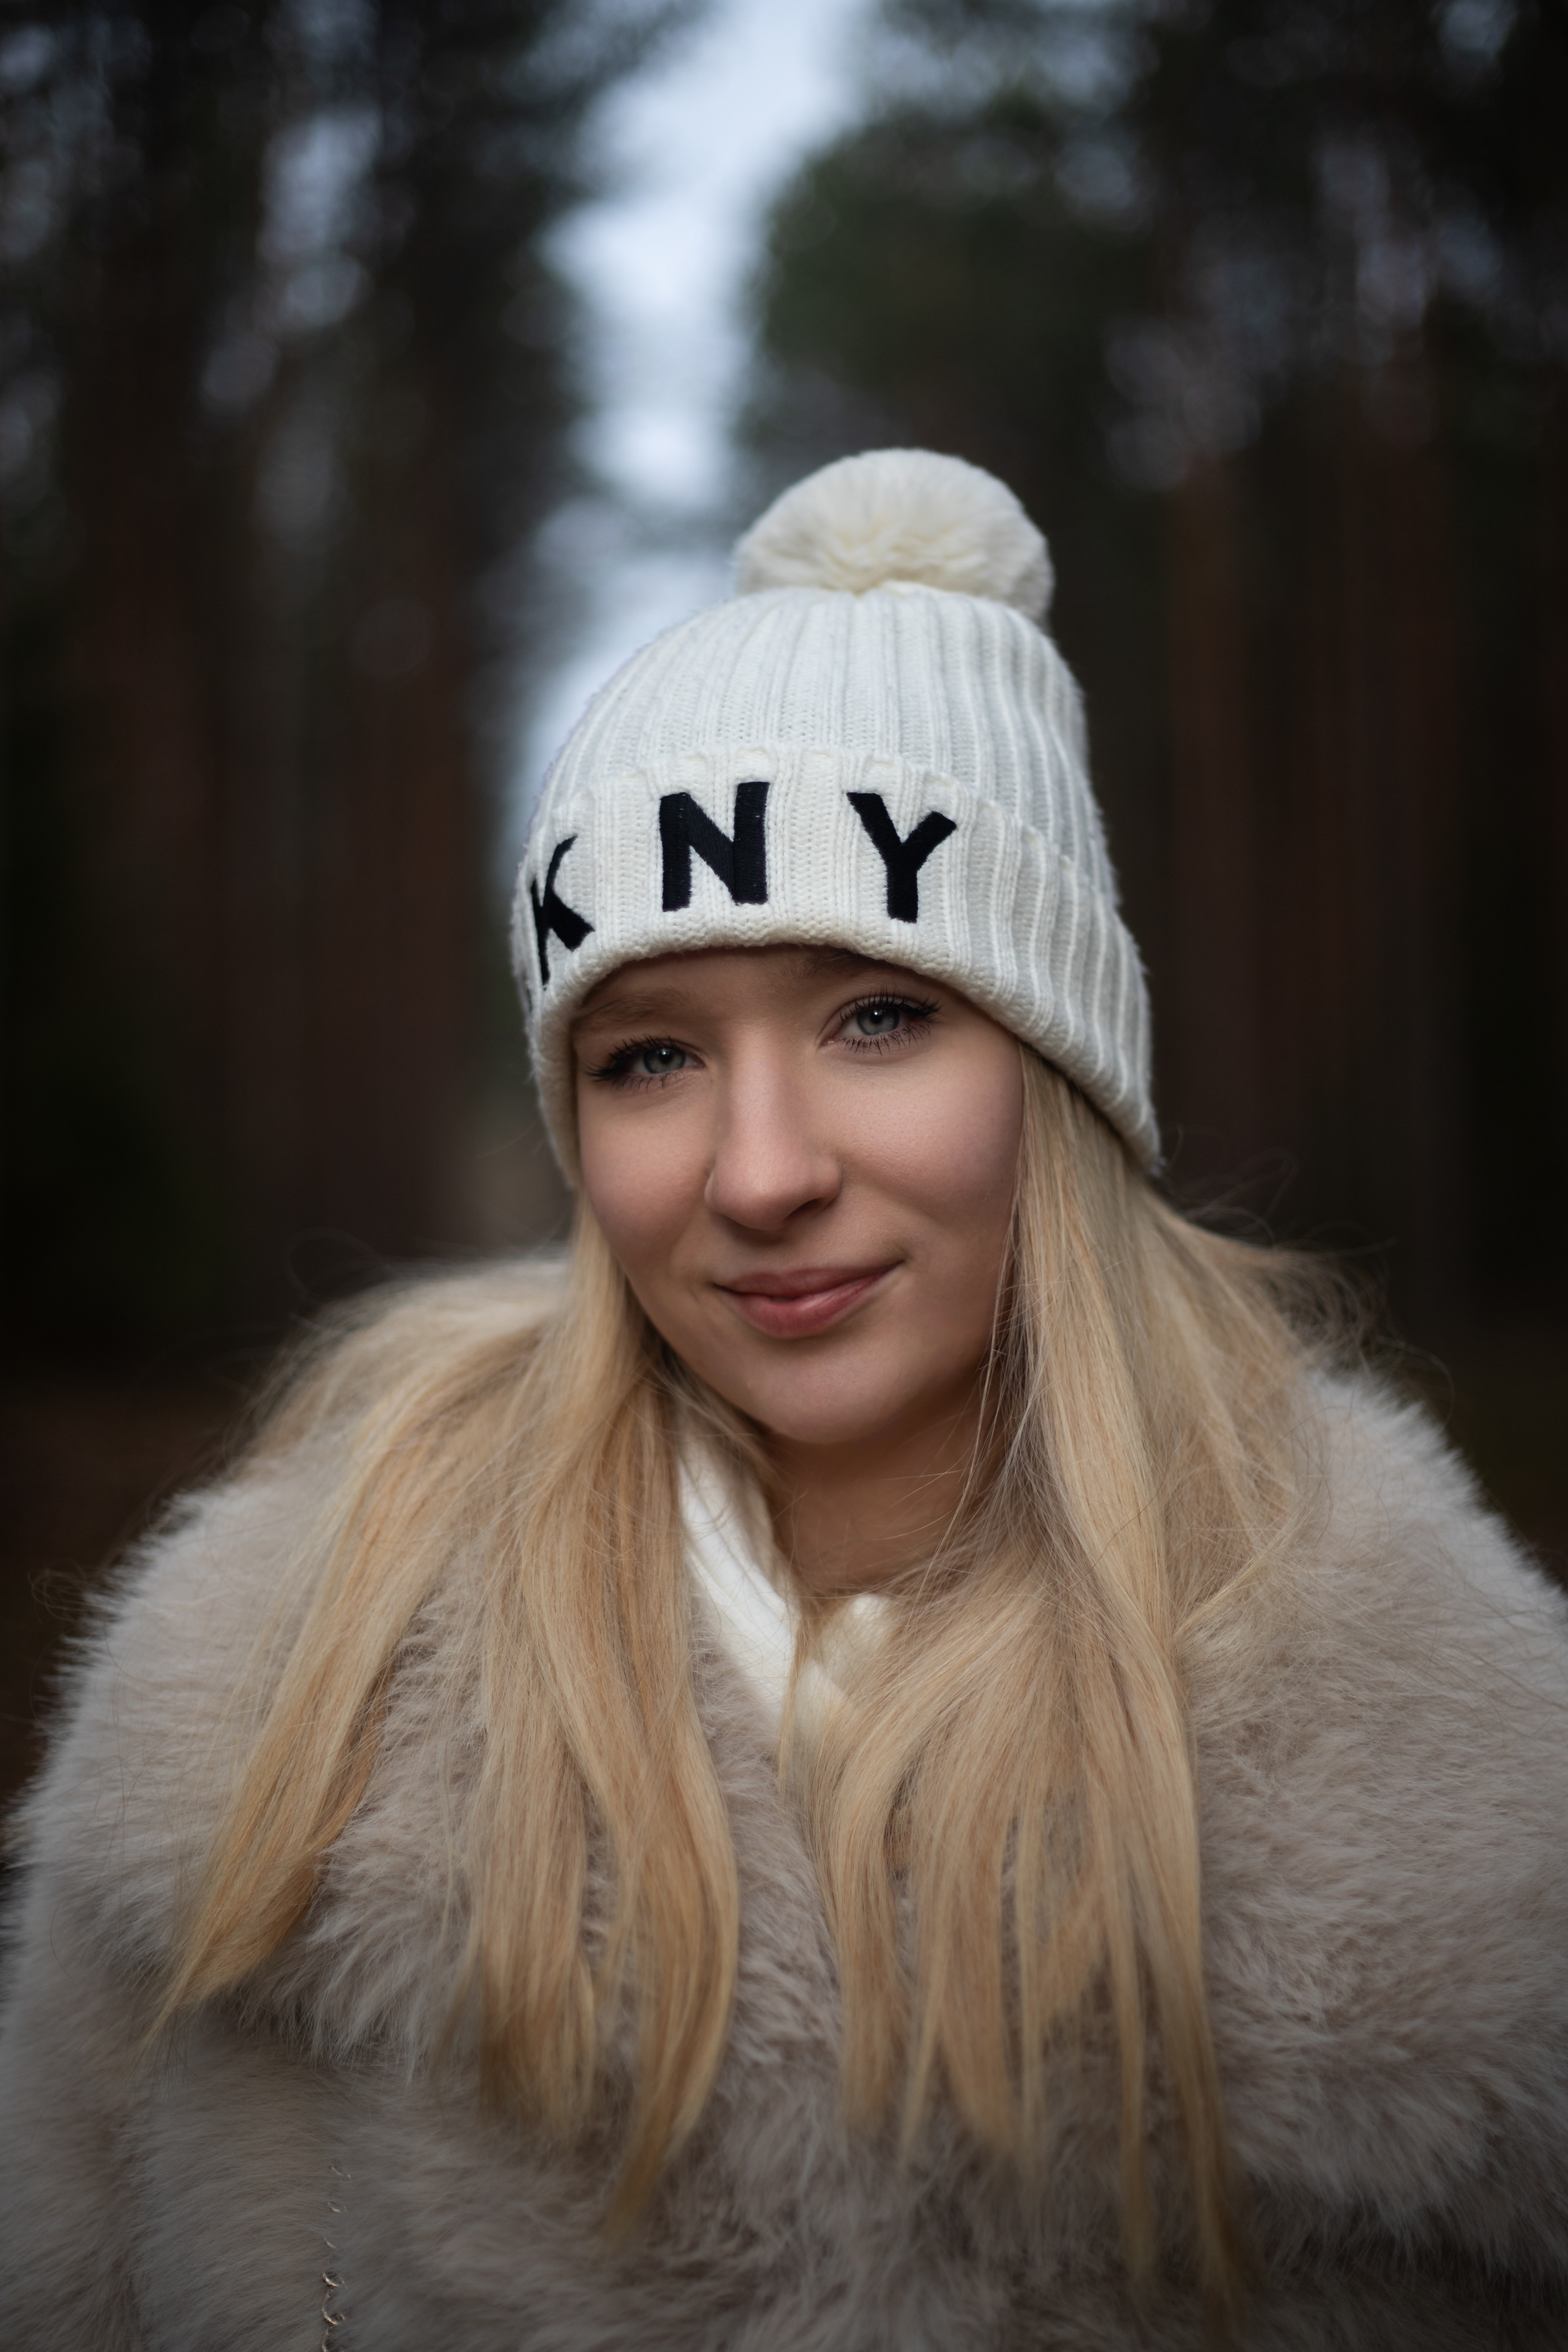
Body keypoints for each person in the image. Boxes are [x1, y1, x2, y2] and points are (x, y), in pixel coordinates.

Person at [2, 448, 1566, 2350]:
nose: (758, 1174)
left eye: (878, 1016)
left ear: (1061, 1073)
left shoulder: (1466, 1777)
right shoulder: (276, 1694)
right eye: (651, 1057)